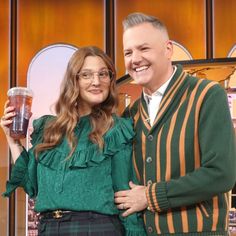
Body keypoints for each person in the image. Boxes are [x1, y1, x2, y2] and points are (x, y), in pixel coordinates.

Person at [1, 46, 146, 236]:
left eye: (103, 74)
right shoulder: (48, 128)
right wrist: (12, 142)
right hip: (49, 228)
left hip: (97, 229)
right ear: (74, 80)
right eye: (86, 75)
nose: (96, 81)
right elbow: (31, 186)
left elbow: (125, 196)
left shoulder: (116, 129)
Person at [114, 12, 236, 235]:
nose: (135, 59)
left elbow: (222, 174)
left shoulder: (207, 95)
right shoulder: (129, 114)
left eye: (144, 48)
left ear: (168, 49)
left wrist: (149, 196)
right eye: (128, 52)